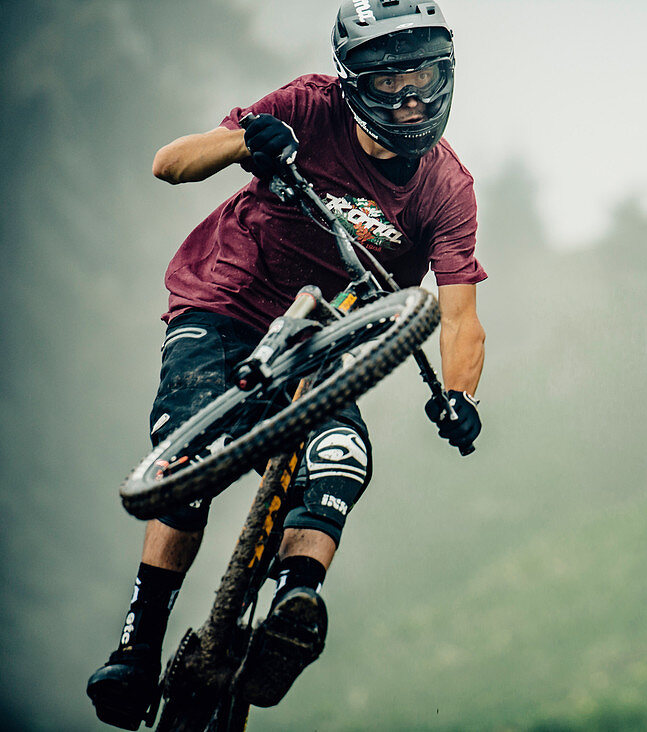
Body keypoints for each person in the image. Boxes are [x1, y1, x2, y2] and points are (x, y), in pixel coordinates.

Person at [86, 1, 485, 728]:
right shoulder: (306, 106)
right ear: (352, 82)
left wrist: (460, 397)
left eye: (425, 75)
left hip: (323, 341)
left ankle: (293, 607)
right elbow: (170, 163)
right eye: (391, 80)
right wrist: (243, 144)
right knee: (191, 459)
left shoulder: (445, 188)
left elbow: (459, 316)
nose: (411, 97)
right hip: (225, 305)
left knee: (341, 455)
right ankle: (137, 649)